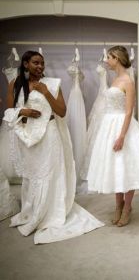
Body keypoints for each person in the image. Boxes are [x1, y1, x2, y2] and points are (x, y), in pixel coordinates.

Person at [4, 51, 103, 244]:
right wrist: (22, 111)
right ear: (25, 64)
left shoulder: (52, 83)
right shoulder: (15, 84)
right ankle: (32, 211)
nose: (40, 66)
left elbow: (62, 111)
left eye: (42, 63)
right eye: (35, 63)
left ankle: (50, 213)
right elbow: (9, 111)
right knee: (33, 175)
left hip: (49, 134)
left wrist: (45, 92)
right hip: (28, 137)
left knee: (50, 173)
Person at [86, 46, 139, 227]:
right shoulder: (114, 80)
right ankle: (118, 206)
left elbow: (129, 112)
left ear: (117, 59)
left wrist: (121, 136)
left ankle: (127, 208)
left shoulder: (127, 81)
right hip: (108, 126)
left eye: (109, 57)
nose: (106, 61)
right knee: (116, 167)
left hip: (123, 127)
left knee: (127, 168)